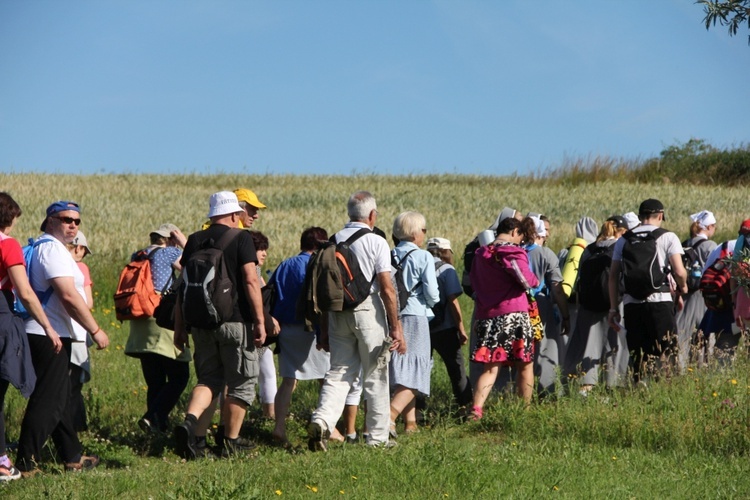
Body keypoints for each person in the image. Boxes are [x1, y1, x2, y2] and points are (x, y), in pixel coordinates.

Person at [16, 200, 109, 474]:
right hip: (49, 334)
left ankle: (72, 456)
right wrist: (95, 329)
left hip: (49, 332)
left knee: (61, 397)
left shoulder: (47, 247)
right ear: (51, 221)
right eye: (66, 219)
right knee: (48, 399)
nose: (73, 225)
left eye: (77, 221)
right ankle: (26, 461)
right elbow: (68, 296)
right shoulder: (53, 250)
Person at [308, 191, 405, 451]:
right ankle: (377, 440)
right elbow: (387, 288)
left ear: (350, 212)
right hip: (368, 314)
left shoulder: (332, 241)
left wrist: (325, 330)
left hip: (338, 313)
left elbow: (328, 291)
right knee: (375, 375)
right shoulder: (376, 242)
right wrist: (395, 326)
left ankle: (322, 420)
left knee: (339, 372)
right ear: (372, 215)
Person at [174, 192, 266, 459]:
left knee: (208, 379)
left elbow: (183, 288)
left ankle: (193, 428)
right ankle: (230, 442)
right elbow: (250, 280)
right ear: (235, 214)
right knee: (242, 383)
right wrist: (260, 321)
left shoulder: (194, 240)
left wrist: (180, 328)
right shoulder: (241, 238)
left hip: (201, 323)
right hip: (235, 322)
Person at [271, 227, 360, 445]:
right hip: (314, 331)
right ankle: (327, 427)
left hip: (287, 329)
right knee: (327, 380)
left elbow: (271, 291)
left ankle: (279, 427)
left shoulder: (285, 264)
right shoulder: (319, 265)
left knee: (288, 381)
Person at [0, 193, 61, 481]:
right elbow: (24, 291)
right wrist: (48, 326)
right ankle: (1, 462)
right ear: (9, 217)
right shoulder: (8, 245)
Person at [608, 199, 687, 383]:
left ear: (640, 216)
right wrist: (682, 286)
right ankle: (667, 389)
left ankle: (639, 389)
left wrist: (613, 309)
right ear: (660, 215)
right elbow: (679, 271)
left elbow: (613, 276)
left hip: (632, 303)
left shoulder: (624, 240)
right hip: (660, 300)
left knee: (638, 354)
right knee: (666, 351)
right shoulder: (668, 237)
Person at [470, 217, 539, 417]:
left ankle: (476, 409)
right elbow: (526, 280)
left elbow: (475, 284)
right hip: (514, 314)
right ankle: (524, 410)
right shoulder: (511, 252)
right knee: (525, 364)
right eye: (521, 237)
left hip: (487, 315)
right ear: (514, 231)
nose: (521, 241)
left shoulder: (480, 255)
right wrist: (534, 280)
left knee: (490, 367)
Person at [124, 223, 190, 433]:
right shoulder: (171, 252)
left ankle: (157, 429)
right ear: (170, 239)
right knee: (180, 376)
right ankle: (153, 418)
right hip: (161, 318)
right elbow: (193, 268)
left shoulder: (139, 254)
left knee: (155, 380)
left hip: (139, 320)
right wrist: (185, 245)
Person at [562, 216, 629, 393]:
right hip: (614, 303)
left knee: (589, 344)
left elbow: (579, 280)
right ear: (621, 231)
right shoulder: (620, 247)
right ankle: (613, 385)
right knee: (614, 345)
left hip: (588, 306)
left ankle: (586, 385)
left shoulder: (589, 249)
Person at [389, 212, 439, 435]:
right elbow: (432, 292)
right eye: (423, 230)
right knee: (417, 371)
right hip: (416, 315)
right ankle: (388, 416)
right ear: (414, 232)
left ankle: (411, 423)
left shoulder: (389, 254)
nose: (425, 234)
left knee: (402, 368)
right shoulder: (424, 256)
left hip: (393, 316)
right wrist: (432, 302)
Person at [522, 216, 570, 396]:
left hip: (518, 306)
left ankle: (520, 393)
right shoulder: (546, 254)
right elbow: (557, 289)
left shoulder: (516, 251)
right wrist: (565, 315)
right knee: (545, 349)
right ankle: (546, 394)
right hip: (540, 305)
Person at [425, 237, 472, 409]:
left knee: (423, 369)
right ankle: (464, 406)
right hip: (445, 327)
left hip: (423, 326)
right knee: (456, 368)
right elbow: (453, 301)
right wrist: (461, 329)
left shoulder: (419, 265)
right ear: (446, 251)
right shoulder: (447, 269)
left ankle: (418, 409)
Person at [675, 211, 717, 371]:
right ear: (709, 227)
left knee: (682, 333)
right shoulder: (710, 246)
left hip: (684, 294)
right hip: (703, 296)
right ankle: (702, 367)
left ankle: (680, 368)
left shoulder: (683, 243)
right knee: (704, 334)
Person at [248, 230, 279, 420]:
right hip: (255, 329)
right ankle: (269, 415)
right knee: (260, 374)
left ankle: (269, 414)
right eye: (260, 249)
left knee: (267, 371)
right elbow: (257, 300)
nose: (264, 253)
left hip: (255, 329)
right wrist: (269, 320)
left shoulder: (254, 271)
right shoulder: (253, 270)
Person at [66, 231, 94, 432]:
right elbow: (88, 302)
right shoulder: (80, 268)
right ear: (79, 248)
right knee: (73, 384)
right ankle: (73, 428)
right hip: (76, 333)